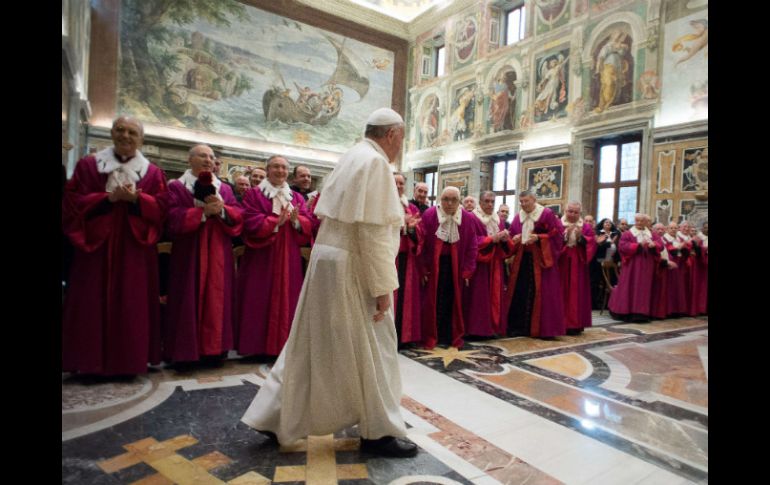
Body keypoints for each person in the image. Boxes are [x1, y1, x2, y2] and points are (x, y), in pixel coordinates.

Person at [241, 108, 418, 458]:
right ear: (392, 134)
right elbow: (372, 232)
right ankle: (379, 431)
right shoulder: (376, 163)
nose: (400, 145)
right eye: (401, 138)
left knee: (309, 343)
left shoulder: (353, 155)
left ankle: (272, 416)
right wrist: (383, 287)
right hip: (354, 265)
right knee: (377, 346)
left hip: (328, 263)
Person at [62, 116, 168, 376]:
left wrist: (137, 200)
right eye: (120, 130)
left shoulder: (152, 173)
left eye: (132, 132)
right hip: (97, 246)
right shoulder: (89, 166)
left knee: (133, 303)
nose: (126, 136)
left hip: (134, 248)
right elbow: (72, 202)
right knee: (90, 302)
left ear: (141, 139)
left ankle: (129, 361)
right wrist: (107, 198)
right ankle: (88, 362)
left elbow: (162, 209)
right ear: (111, 133)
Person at [164, 144, 244, 364]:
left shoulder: (224, 189)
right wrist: (201, 212)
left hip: (219, 249)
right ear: (189, 160)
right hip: (189, 250)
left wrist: (223, 210)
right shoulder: (177, 187)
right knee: (187, 295)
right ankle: (185, 353)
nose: (208, 160)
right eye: (202, 156)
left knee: (218, 297)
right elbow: (171, 217)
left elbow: (238, 214)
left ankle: (214, 349)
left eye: (211, 156)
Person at [235, 155, 313, 357]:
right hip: (262, 256)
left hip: (289, 255)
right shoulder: (254, 194)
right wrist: (275, 222)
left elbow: (307, 222)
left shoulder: (296, 198)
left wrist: (296, 221)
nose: (280, 171)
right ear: (267, 170)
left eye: (284, 168)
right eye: (276, 167)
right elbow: (249, 220)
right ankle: (255, 347)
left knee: (288, 298)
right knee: (258, 297)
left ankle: (283, 346)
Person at [418, 186, 479, 349]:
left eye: (454, 200)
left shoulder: (467, 218)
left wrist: (467, 271)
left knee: (453, 300)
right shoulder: (430, 214)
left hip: (456, 266)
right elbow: (422, 242)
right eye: (446, 199)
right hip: (434, 266)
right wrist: (423, 267)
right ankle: (432, 334)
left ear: (459, 201)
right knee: (434, 300)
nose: (449, 203)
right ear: (440, 199)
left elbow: (472, 246)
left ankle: (449, 335)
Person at [504, 190, 565, 338]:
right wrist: (515, 238)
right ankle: (519, 327)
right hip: (522, 260)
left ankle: (543, 329)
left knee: (542, 293)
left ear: (534, 200)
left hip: (541, 260)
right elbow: (512, 236)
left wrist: (538, 237)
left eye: (527, 201)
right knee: (520, 291)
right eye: (521, 202)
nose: (524, 204)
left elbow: (557, 234)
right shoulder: (518, 217)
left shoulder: (546, 214)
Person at [466, 191, 511, 338]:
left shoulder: (498, 220)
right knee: (479, 296)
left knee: (495, 296)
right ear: (480, 202)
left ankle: (493, 327)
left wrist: (506, 239)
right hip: (479, 265)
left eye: (492, 202)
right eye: (487, 201)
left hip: (495, 263)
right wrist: (491, 239)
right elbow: (470, 240)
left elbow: (505, 245)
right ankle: (477, 329)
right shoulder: (472, 217)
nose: (490, 204)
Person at [608, 214, 662, 322]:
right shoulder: (628, 234)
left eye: (642, 221)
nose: (639, 223)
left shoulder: (652, 234)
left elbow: (660, 244)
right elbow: (622, 246)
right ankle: (628, 312)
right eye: (637, 220)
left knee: (644, 289)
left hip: (647, 267)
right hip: (632, 267)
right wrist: (638, 245)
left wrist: (654, 244)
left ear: (646, 222)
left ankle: (642, 313)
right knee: (630, 287)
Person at [559, 202, 597, 335]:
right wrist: (564, 236)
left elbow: (591, 243)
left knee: (576, 292)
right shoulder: (558, 224)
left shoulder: (585, 226)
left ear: (580, 213)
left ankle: (575, 324)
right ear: (565, 211)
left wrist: (581, 237)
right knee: (561, 291)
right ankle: (560, 323)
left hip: (578, 262)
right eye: (570, 211)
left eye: (576, 212)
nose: (573, 214)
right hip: (561, 262)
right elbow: (552, 242)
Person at [393, 173, 423, 346]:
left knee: (406, 299)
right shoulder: (381, 205)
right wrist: (399, 224)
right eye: (395, 183)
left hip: (407, 259)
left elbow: (420, 233)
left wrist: (411, 229)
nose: (398, 186)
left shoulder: (410, 207)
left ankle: (404, 336)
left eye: (401, 183)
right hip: (389, 257)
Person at [594, 30, 630, 113]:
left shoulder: (620, 46)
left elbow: (623, 52)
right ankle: (604, 103)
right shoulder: (607, 46)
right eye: (617, 35)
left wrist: (621, 47)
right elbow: (601, 57)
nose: (618, 37)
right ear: (612, 36)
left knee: (616, 84)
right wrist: (598, 68)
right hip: (608, 67)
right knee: (609, 83)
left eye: (620, 36)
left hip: (617, 68)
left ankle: (612, 102)